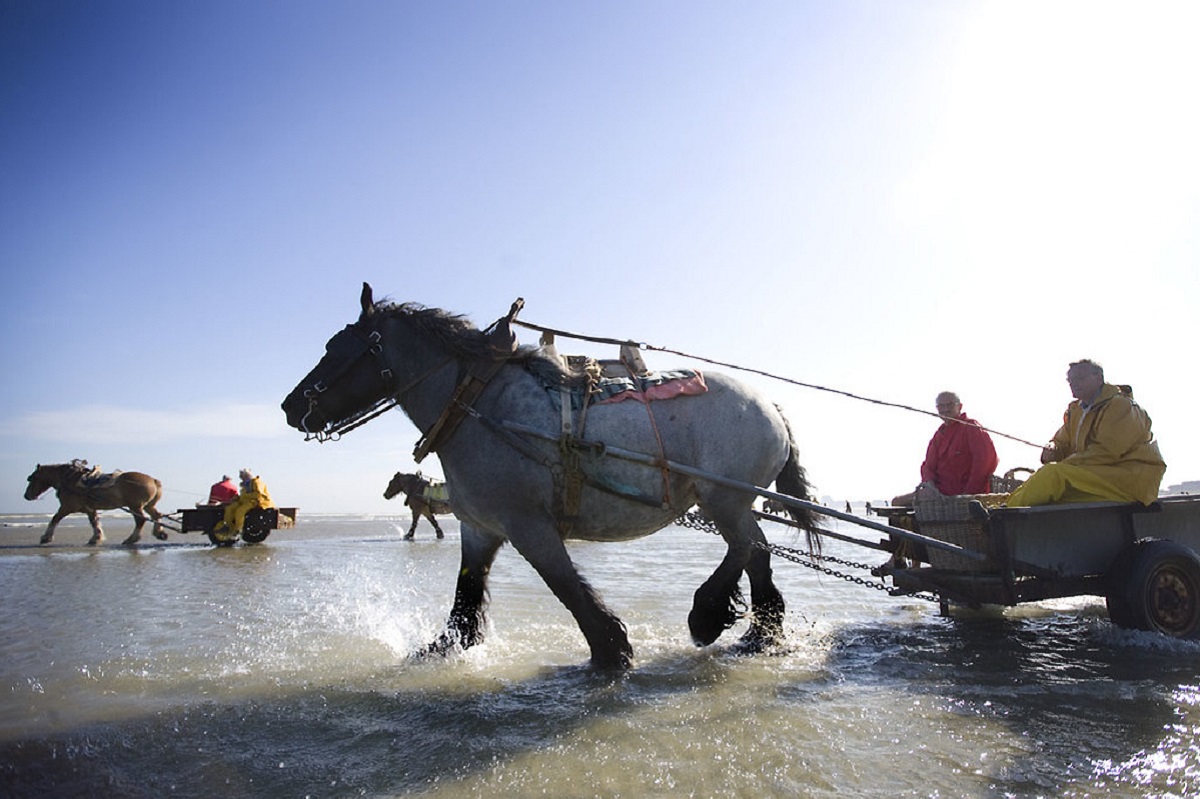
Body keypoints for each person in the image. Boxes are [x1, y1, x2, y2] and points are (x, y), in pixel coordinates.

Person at [1006, 360, 1165, 506]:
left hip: (1127, 480)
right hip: (1099, 478)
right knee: (1048, 480)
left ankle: (999, 518)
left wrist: (1063, 464)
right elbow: (1061, 441)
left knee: (1053, 475)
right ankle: (1003, 511)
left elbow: (1107, 452)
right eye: (1070, 381)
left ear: (1099, 378)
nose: (1073, 384)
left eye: (1080, 379)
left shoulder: (1120, 406)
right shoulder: (1076, 410)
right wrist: (1052, 448)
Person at [892, 391, 999, 505]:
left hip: (962, 495)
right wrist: (929, 485)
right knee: (896, 502)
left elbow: (985, 462)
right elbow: (928, 466)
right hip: (938, 493)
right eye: (941, 406)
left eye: (950, 405)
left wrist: (968, 494)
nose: (945, 409)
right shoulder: (939, 434)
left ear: (960, 406)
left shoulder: (972, 428)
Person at [213, 468, 275, 536]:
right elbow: (243, 495)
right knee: (230, 508)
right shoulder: (245, 484)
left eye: (242, 476)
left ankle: (238, 529)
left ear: (246, 475)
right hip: (244, 501)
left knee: (240, 511)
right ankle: (227, 526)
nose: (241, 478)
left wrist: (245, 496)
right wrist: (236, 498)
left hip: (255, 502)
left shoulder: (256, 482)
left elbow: (258, 494)